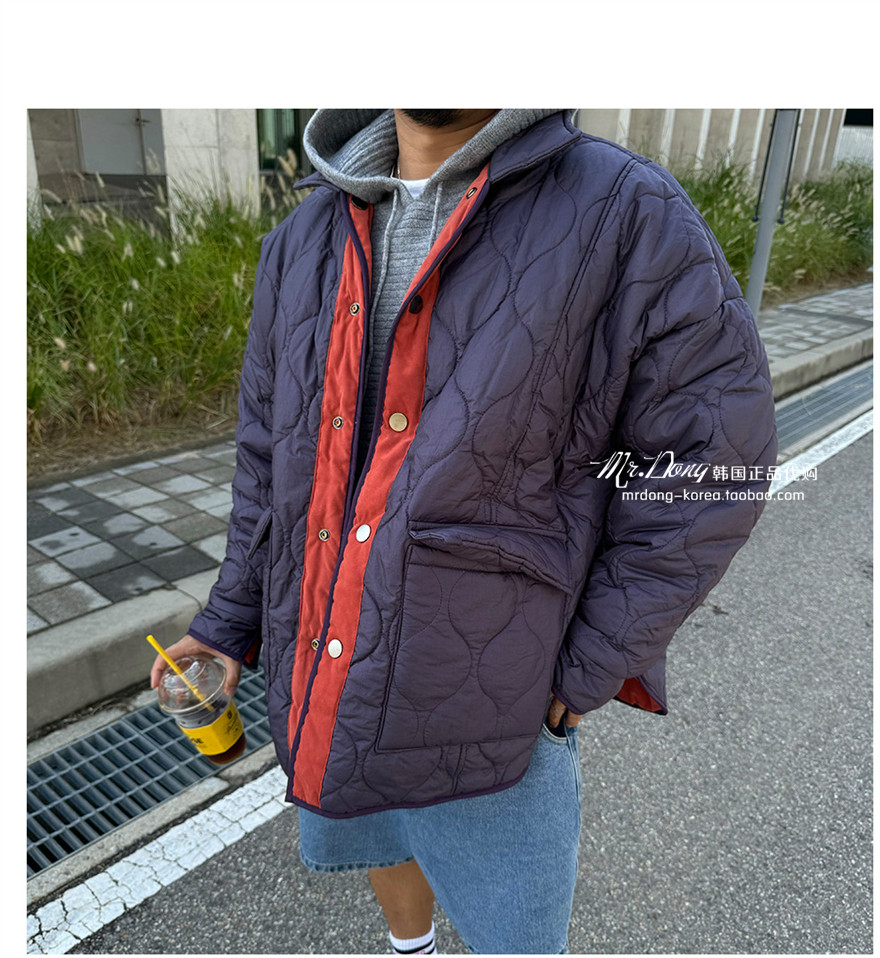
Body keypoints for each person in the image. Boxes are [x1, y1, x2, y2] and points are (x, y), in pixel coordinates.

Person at [151, 109, 777, 954]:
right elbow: (271, 459)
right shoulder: (304, 236)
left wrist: (592, 657)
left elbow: (715, 461)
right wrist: (229, 621)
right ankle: (408, 946)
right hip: (327, 655)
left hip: (498, 695)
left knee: (512, 926)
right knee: (373, 829)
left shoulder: (626, 211)